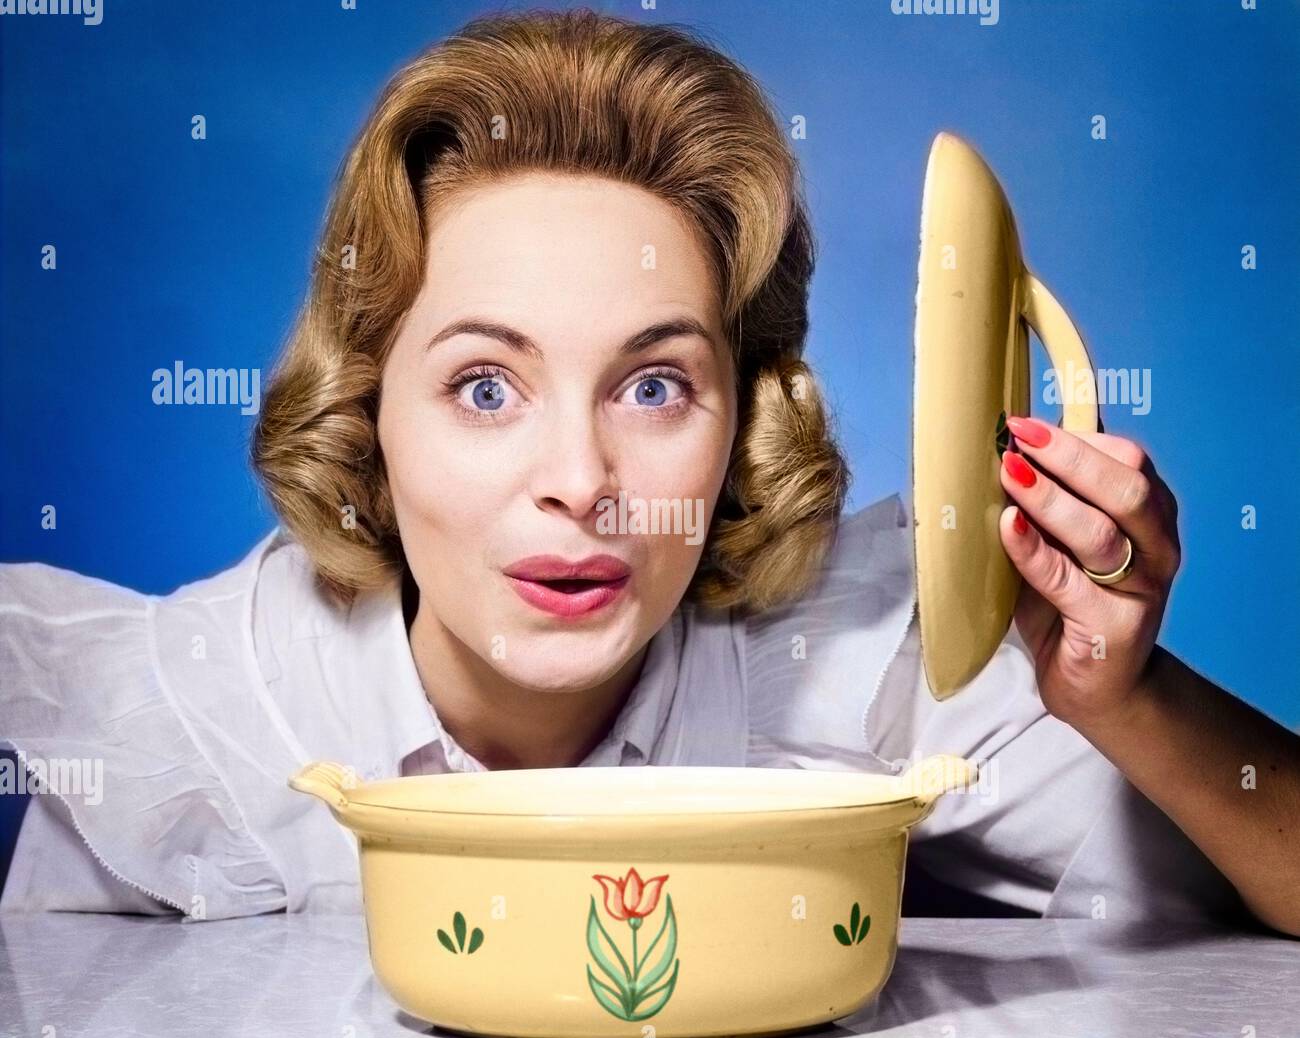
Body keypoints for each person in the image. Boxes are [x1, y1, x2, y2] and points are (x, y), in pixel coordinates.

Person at [1, 9, 1296, 935]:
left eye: (656, 384)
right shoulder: (193, 719)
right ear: (364, 422)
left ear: (742, 423)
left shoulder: (859, 655)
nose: (582, 479)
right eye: (485, 387)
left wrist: (1121, 692)